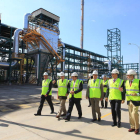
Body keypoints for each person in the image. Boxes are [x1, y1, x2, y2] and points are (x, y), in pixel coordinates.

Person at [125, 69, 140, 134]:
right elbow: (126, 91)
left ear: (132, 76)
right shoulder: (126, 82)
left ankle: (137, 128)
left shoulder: (138, 81)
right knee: (130, 114)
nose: (127, 76)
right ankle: (132, 126)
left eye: (128, 75)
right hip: (129, 100)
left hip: (136, 101)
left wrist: (136, 94)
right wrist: (121, 90)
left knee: (134, 114)